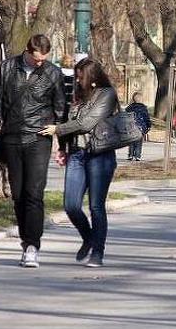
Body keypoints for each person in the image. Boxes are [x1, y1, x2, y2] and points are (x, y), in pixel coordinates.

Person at [0, 35, 65, 268]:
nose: (40, 64)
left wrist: (61, 140)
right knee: (19, 195)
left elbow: (61, 109)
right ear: (28, 52)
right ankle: (25, 241)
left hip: (40, 139)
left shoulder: (53, 73)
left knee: (34, 192)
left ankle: (32, 246)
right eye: (37, 59)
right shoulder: (8, 68)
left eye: (44, 60)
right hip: (11, 137)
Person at [39, 58, 118, 268]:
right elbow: (66, 119)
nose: (77, 80)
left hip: (100, 154)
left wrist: (57, 130)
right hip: (76, 154)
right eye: (76, 76)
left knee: (96, 206)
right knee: (71, 205)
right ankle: (89, 237)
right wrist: (63, 147)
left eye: (80, 77)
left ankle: (98, 252)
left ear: (91, 77)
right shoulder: (75, 96)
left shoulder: (107, 94)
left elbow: (86, 123)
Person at [125, 91, 151, 161]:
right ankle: (137, 155)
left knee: (131, 142)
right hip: (140, 128)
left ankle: (130, 155)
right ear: (141, 99)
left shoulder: (129, 108)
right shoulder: (143, 108)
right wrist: (149, 125)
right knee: (139, 142)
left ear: (133, 99)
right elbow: (146, 118)